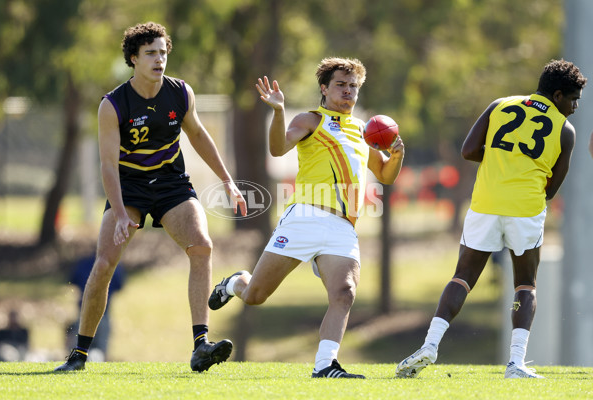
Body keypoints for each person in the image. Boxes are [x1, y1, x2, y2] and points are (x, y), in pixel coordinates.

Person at [54, 22, 247, 372]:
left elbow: (200, 136)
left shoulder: (180, 93)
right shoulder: (113, 105)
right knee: (104, 264)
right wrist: (120, 212)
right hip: (128, 188)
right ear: (133, 59)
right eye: (151, 54)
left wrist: (227, 181)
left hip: (171, 184)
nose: (159, 59)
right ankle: (79, 354)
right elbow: (109, 166)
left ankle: (201, 345)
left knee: (202, 245)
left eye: (163, 52)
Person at [208, 57, 405, 378]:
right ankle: (235, 283)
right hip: (305, 218)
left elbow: (384, 175)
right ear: (324, 89)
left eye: (353, 86)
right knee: (256, 296)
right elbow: (277, 149)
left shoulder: (362, 130)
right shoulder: (311, 119)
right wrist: (277, 111)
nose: (348, 91)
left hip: (344, 225)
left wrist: (397, 156)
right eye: (341, 85)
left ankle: (325, 365)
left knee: (345, 292)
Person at [395, 59, 587, 379]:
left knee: (462, 277)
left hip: (485, 204)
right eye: (573, 98)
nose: (576, 105)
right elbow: (551, 190)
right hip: (525, 209)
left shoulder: (500, 104)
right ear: (556, 95)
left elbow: (469, 151)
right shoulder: (565, 131)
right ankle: (515, 363)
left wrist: (502, 159)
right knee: (525, 284)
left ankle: (430, 345)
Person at [65, 253, 125, 361]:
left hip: (84, 316)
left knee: (80, 350)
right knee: (101, 351)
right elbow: (119, 285)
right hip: (103, 315)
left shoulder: (83, 264)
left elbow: (72, 281)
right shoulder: (114, 266)